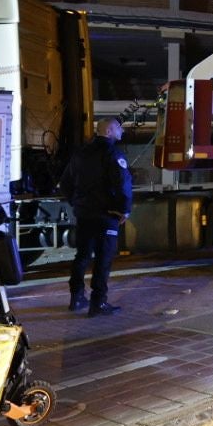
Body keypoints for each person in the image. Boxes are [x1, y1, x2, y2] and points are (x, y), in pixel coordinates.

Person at [61, 117, 133, 316]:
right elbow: (122, 185)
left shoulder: (80, 153)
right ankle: (98, 303)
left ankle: (76, 297)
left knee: (82, 256)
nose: (122, 132)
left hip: (84, 214)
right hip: (106, 214)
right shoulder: (113, 153)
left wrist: (77, 203)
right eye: (118, 128)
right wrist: (124, 209)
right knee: (103, 258)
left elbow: (65, 183)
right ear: (109, 131)